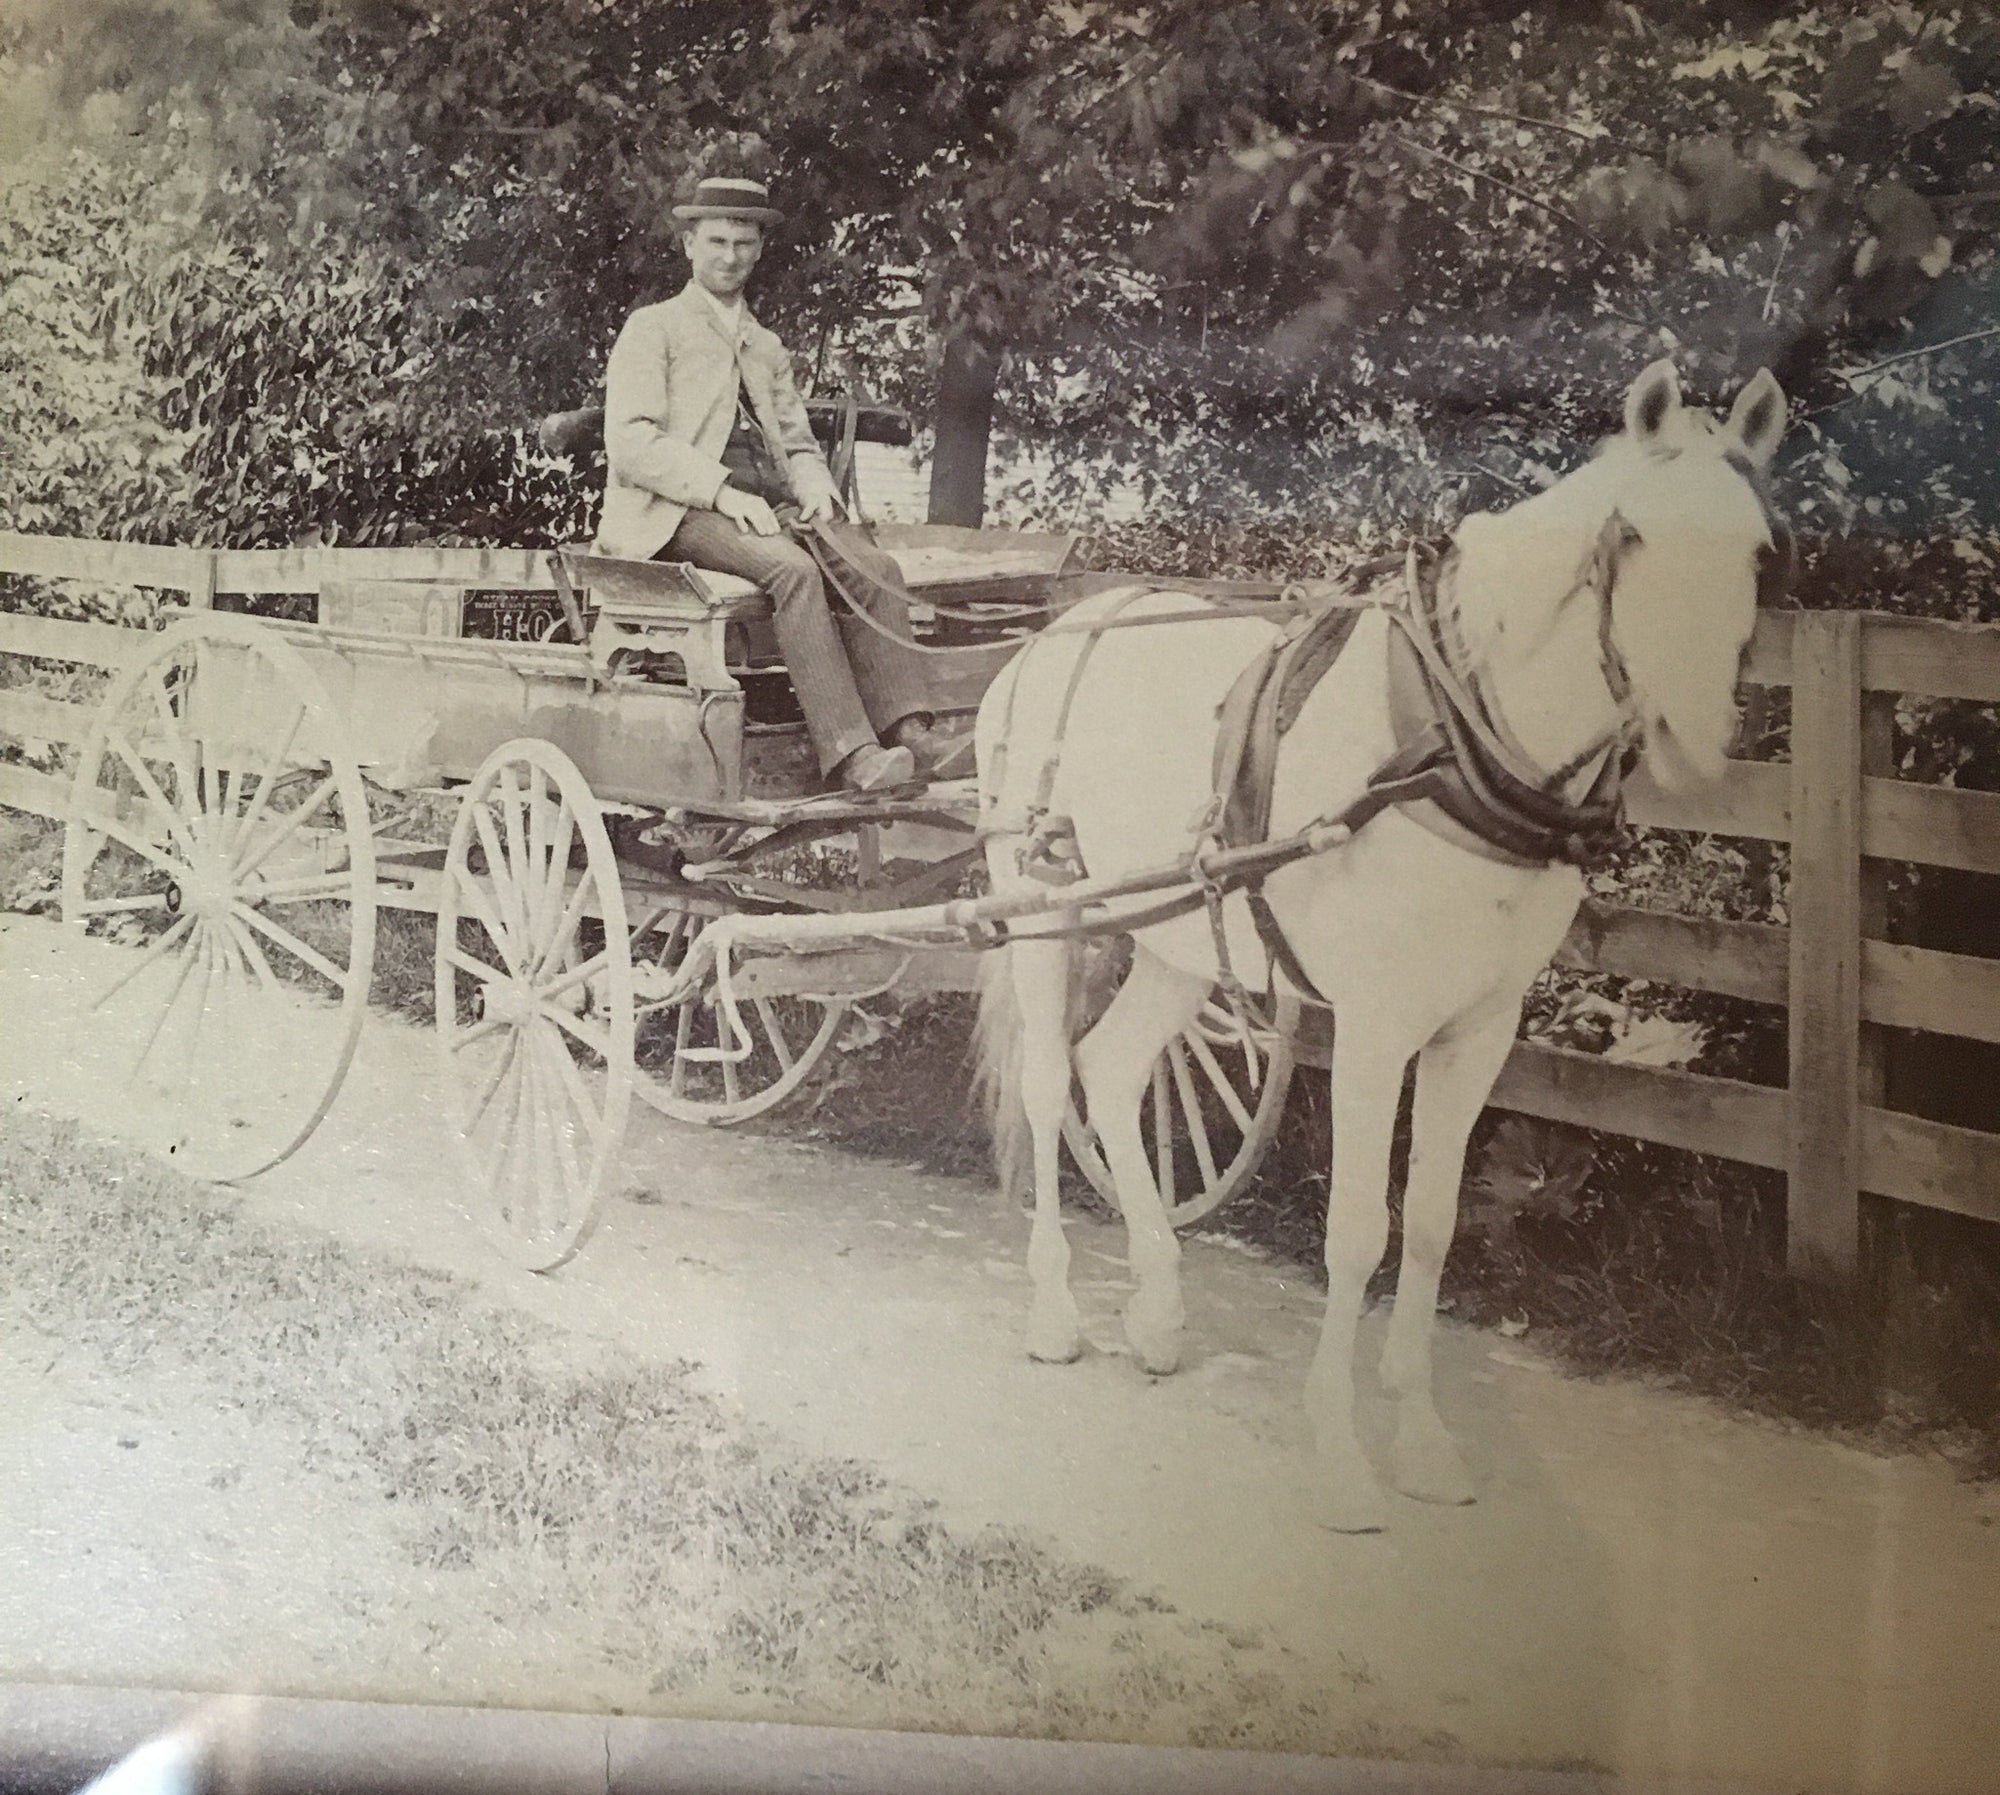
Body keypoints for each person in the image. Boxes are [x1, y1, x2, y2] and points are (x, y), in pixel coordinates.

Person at [596, 174, 940, 791]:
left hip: (766, 506)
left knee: (876, 569)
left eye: (745, 243)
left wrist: (812, 486)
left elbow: (798, 442)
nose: (731, 256)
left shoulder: (765, 345)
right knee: (795, 572)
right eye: (718, 241)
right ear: (689, 245)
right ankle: (852, 752)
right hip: (676, 514)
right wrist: (724, 492)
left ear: (759, 249)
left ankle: (909, 732)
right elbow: (632, 445)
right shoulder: (654, 329)